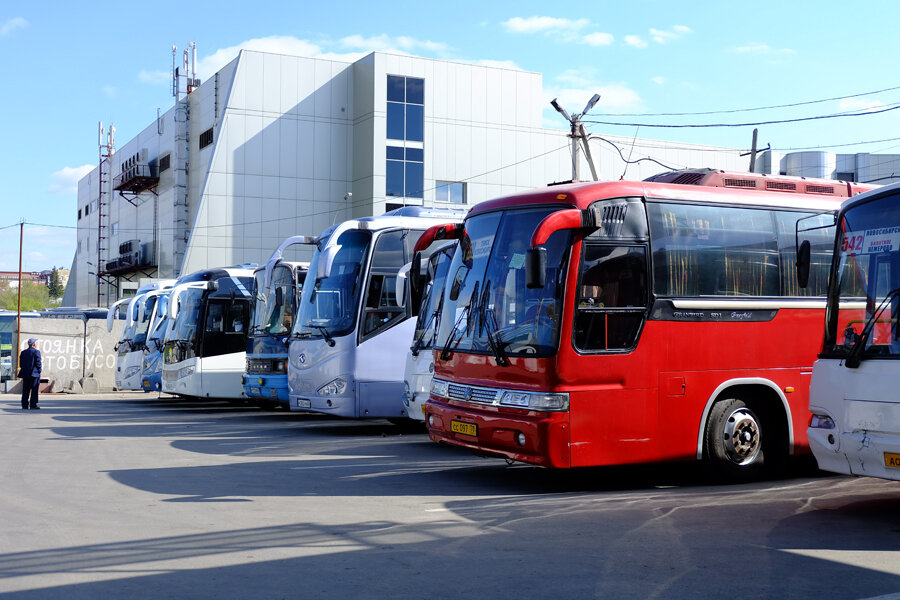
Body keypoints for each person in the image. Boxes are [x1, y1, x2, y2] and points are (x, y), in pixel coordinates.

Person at [18, 338, 42, 410]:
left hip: (25, 374)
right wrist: (39, 370)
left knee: (25, 390)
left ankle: (24, 405)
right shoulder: (36, 352)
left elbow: (21, 364)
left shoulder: (23, 352)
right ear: (34, 344)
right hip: (34, 374)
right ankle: (33, 405)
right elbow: (38, 363)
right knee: (34, 390)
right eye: (36, 343)